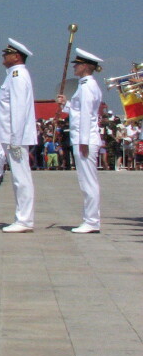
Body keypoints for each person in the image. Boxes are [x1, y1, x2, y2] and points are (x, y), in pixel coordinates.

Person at [57, 48, 104, 233]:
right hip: (83, 138)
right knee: (86, 181)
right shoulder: (85, 85)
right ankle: (90, 219)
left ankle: (92, 221)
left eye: (77, 64)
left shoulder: (87, 86)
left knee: (88, 182)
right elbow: (79, 112)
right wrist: (66, 105)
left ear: (85, 67)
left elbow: (85, 116)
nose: (74, 67)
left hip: (85, 139)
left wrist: (83, 142)